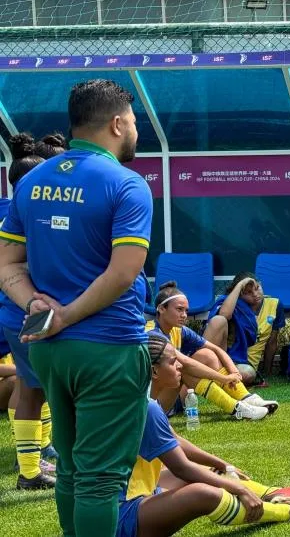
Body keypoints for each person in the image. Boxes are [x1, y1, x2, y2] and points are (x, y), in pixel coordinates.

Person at [0, 79, 154, 536]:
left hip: (48, 348)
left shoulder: (32, 181)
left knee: (70, 466)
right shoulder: (128, 185)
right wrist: (65, 314)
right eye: (133, 121)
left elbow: (6, 264)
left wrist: (36, 305)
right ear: (116, 122)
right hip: (107, 349)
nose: (135, 130)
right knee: (102, 479)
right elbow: (123, 273)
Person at [116, 334, 290, 536]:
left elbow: (175, 441)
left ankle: (274, 493)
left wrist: (221, 464)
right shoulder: (145, 407)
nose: (180, 365)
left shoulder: (138, 400)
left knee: (210, 472)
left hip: (135, 495)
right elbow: (181, 466)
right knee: (203, 493)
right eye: (173, 362)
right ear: (154, 372)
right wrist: (236, 487)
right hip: (122, 512)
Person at [1, 132, 61, 490]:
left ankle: (31, 468)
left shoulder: (10, 211)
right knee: (57, 390)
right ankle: (47, 464)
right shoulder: (35, 218)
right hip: (35, 311)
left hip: (12, 312)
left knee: (29, 390)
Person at [147, 281, 275, 420]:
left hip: (175, 397)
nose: (184, 315)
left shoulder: (179, 330)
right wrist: (223, 378)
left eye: (186, 311)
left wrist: (234, 372)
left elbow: (215, 349)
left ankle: (246, 398)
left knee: (206, 354)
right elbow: (186, 363)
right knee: (182, 366)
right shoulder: (153, 334)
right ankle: (236, 408)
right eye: (179, 309)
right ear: (161, 309)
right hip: (154, 404)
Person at [203, 272, 285, 386]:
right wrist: (240, 285)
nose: (255, 294)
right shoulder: (231, 304)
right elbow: (224, 314)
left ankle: (214, 377)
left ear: (261, 284)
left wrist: (268, 372)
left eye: (257, 288)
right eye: (248, 292)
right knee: (218, 320)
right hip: (223, 357)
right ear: (239, 295)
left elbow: (272, 342)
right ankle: (206, 370)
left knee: (247, 374)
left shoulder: (275, 304)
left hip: (243, 364)